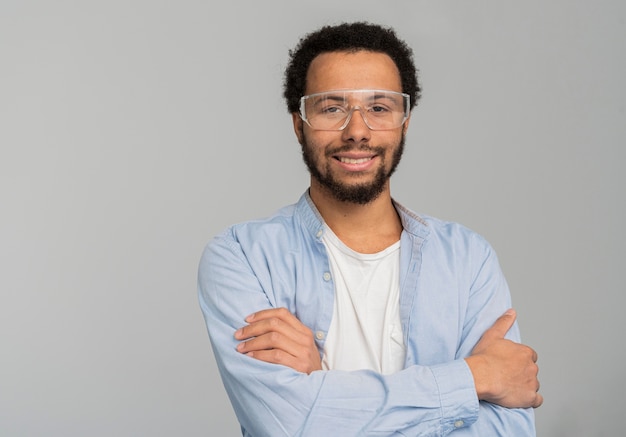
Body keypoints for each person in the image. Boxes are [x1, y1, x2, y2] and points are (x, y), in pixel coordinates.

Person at [198, 21, 542, 436]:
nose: (357, 131)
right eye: (331, 108)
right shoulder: (243, 255)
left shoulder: (468, 260)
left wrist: (323, 387)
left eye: (379, 108)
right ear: (298, 124)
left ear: (404, 121)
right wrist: (473, 378)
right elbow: (289, 425)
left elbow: (505, 430)